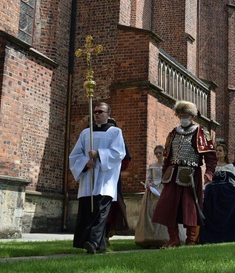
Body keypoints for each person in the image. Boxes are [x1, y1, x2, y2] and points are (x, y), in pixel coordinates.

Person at [152, 101, 217, 248]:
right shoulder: (173, 133)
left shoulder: (201, 132)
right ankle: (173, 239)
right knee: (168, 206)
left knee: (190, 207)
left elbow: (211, 157)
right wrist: (164, 175)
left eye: (186, 115)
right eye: (180, 115)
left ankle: (191, 240)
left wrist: (209, 173)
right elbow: (167, 156)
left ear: (192, 116)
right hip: (172, 174)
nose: (183, 118)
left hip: (190, 175)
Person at [69, 102, 126, 254]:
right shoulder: (86, 133)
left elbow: (119, 153)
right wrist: (85, 162)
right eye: (95, 112)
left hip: (105, 179)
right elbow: (75, 155)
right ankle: (97, 246)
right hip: (88, 178)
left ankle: (93, 242)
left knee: (100, 212)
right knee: (88, 211)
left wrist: (99, 154)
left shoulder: (115, 132)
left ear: (108, 114)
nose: (97, 114)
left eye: (101, 112)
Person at [199, 143, 235, 244]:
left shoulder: (230, 166)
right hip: (213, 194)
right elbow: (210, 181)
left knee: (231, 208)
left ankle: (229, 234)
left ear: (225, 153)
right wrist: (204, 188)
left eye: (220, 150)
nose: (217, 152)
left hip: (225, 193)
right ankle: (210, 236)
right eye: (217, 150)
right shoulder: (213, 166)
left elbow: (231, 181)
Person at [134, 145, 173, 248]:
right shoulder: (152, 166)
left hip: (164, 189)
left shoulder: (168, 165)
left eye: (160, 153)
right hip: (153, 191)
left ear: (164, 153)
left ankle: (165, 238)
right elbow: (149, 178)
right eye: (156, 153)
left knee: (164, 213)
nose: (158, 155)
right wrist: (147, 183)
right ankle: (150, 239)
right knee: (151, 213)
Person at [105, 118, 131, 244]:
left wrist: (115, 165)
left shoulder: (120, 141)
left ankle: (107, 233)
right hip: (99, 176)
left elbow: (126, 160)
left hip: (114, 178)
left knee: (113, 206)